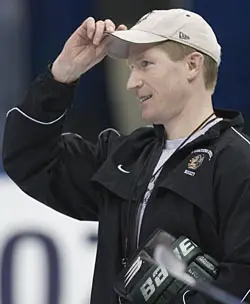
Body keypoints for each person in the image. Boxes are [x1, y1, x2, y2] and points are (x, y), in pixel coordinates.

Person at [2, 8, 250, 304]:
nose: (132, 82)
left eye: (146, 64)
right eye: (132, 67)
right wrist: (61, 76)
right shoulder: (125, 156)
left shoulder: (238, 162)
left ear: (192, 65)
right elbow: (29, 158)